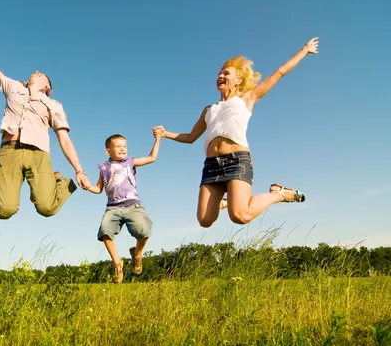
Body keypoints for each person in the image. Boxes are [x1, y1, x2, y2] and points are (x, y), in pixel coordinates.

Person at [153, 37, 319, 228]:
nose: (220, 76)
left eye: (226, 73)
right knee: (205, 220)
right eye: (219, 74)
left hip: (237, 161)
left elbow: (280, 72)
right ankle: (228, 202)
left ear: (238, 80)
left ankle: (278, 194)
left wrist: (304, 50)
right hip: (211, 166)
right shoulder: (209, 109)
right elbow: (190, 137)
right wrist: (166, 134)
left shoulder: (247, 99)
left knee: (240, 216)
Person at [0, 34, 91, 219]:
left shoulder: (54, 105)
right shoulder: (14, 88)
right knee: (4, 209)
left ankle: (59, 181)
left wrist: (79, 170)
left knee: (46, 208)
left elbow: (64, 139)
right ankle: (6, 189)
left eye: (40, 74)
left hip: (38, 154)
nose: (36, 71)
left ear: (47, 86)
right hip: (9, 151)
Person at [85, 133, 161, 283]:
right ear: (108, 151)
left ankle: (137, 255)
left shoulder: (130, 162)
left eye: (124, 146)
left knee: (144, 231)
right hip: (113, 208)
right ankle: (117, 262)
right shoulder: (104, 168)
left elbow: (151, 158)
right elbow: (98, 188)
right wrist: (88, 186)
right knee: (105, 231)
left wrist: (158, 139)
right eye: (118, 146)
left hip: (132, 205)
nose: (123, 149)